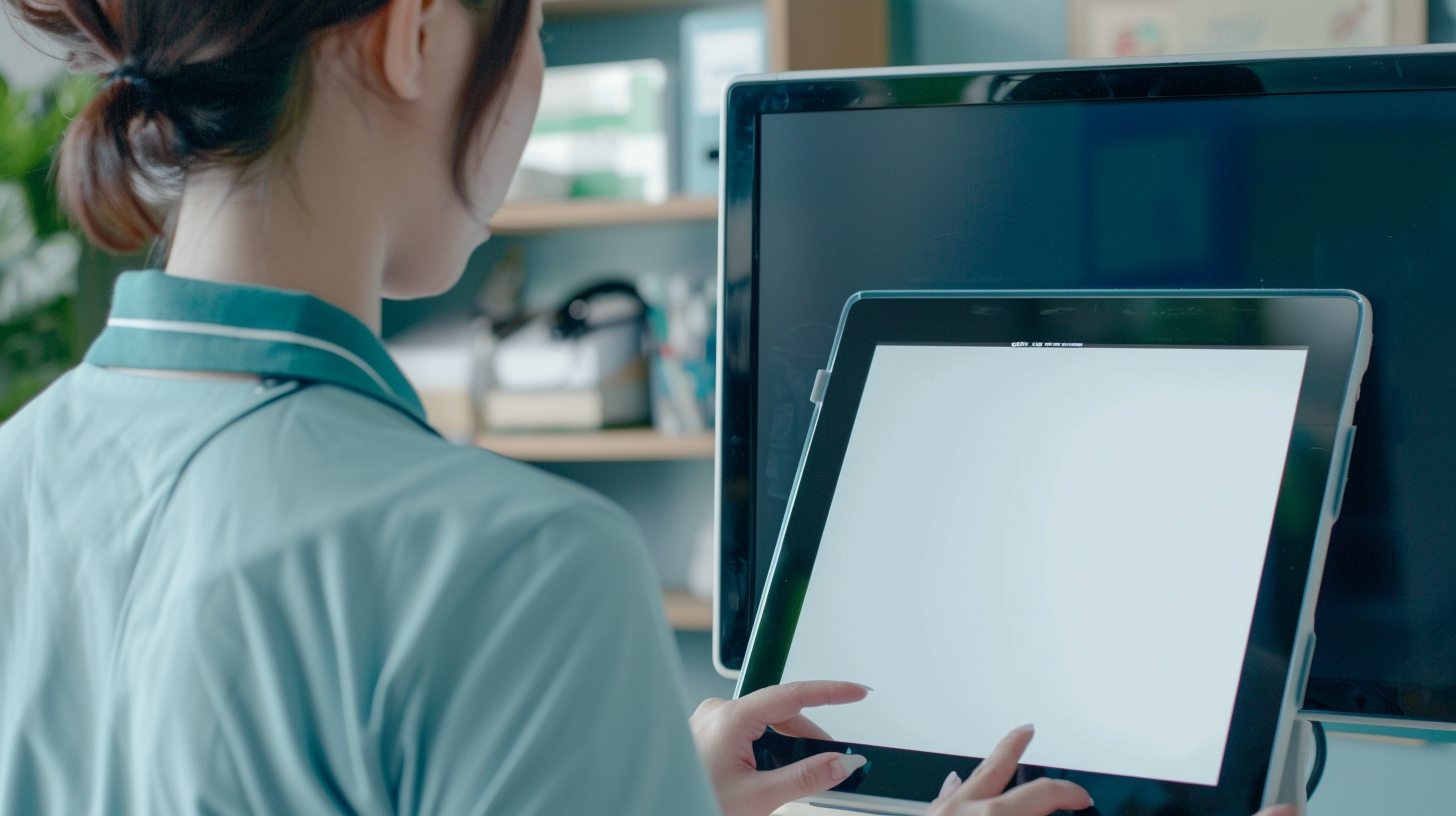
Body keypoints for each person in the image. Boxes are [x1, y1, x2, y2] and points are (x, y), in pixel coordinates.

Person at [0, 1, 1297, 814]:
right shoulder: (517, 567)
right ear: (413, 34)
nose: (539, 65)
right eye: (539, 23)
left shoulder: (18, 474)